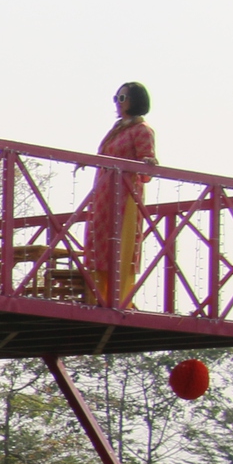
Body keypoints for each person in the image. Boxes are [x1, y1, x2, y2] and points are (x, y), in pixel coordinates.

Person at [87, 82, 157, 306]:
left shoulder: (141, 130)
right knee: (98, 241)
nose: (118, 103)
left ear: (134, 101)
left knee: (120, 243)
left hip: (124, 195)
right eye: (116, 98)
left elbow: (147, 165)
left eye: (122, 98)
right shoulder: (118, 129)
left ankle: (118, 298)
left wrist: (148, 163)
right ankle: (97, 295)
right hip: (103, 194)